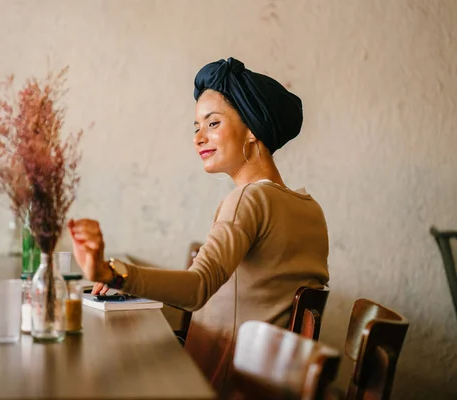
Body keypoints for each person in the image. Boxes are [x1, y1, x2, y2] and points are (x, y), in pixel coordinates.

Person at [67, 57, 329, 396]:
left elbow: (198, 289)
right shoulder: (310, 208)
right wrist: (136, 283)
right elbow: (232, 293)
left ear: (252, 129)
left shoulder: (248, 200)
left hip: (213, 384)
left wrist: (113, 273)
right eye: (195, 127)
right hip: (266, 386)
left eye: (213, 123)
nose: (198, 138)